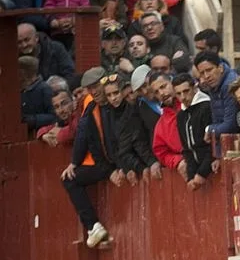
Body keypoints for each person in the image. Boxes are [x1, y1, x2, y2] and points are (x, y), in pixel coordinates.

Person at [60, 67, 115, 249]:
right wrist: (74, 162)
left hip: (115, 163)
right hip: (107, 163)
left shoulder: (102, 103)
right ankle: (93, 226)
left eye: (95, 86)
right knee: (70, 179)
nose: (93, 91)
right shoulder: (92, 105)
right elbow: (83, 134)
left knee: (70, 180)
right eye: (89, 89)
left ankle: (93, 226)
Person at [101, 72, 159, 187]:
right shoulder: (107, 114)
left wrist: (147, 163)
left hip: (151, 159)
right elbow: (115, 147)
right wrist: (127, 167)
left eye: (116, 93)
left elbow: (138, 140)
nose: (113, 98)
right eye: (109, 95)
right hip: (141, 163)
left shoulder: (136, 107)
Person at [173, 74, 214, 190]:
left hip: (210, 167)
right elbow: (187, 148)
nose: (183, 97)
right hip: (198, 172)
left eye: (186, 91)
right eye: (178, 94)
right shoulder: (181, 115)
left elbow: (212, 144)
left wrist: (201, 173)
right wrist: (191, 176)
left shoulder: (206, 107)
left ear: (194, 88)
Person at [194, 51, 239, 146]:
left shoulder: (229, 85)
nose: (206, 76)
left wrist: (210, 129)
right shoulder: (214, 84)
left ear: (221, 68)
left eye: (209, 70)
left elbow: (231, 125)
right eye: (202, 73)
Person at [149, 71, 187, 180]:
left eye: (163, 86)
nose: (161, 93)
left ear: (171, 82)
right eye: (156, 92)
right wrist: (178, 161)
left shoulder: (194, 103)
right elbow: (161, 153)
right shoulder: (160, 125)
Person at [19, 56, 55, 134]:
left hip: (41, 135)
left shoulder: (45, 89)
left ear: (23, 72)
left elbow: (54, 116)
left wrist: (33, 120)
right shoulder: (18, 90)